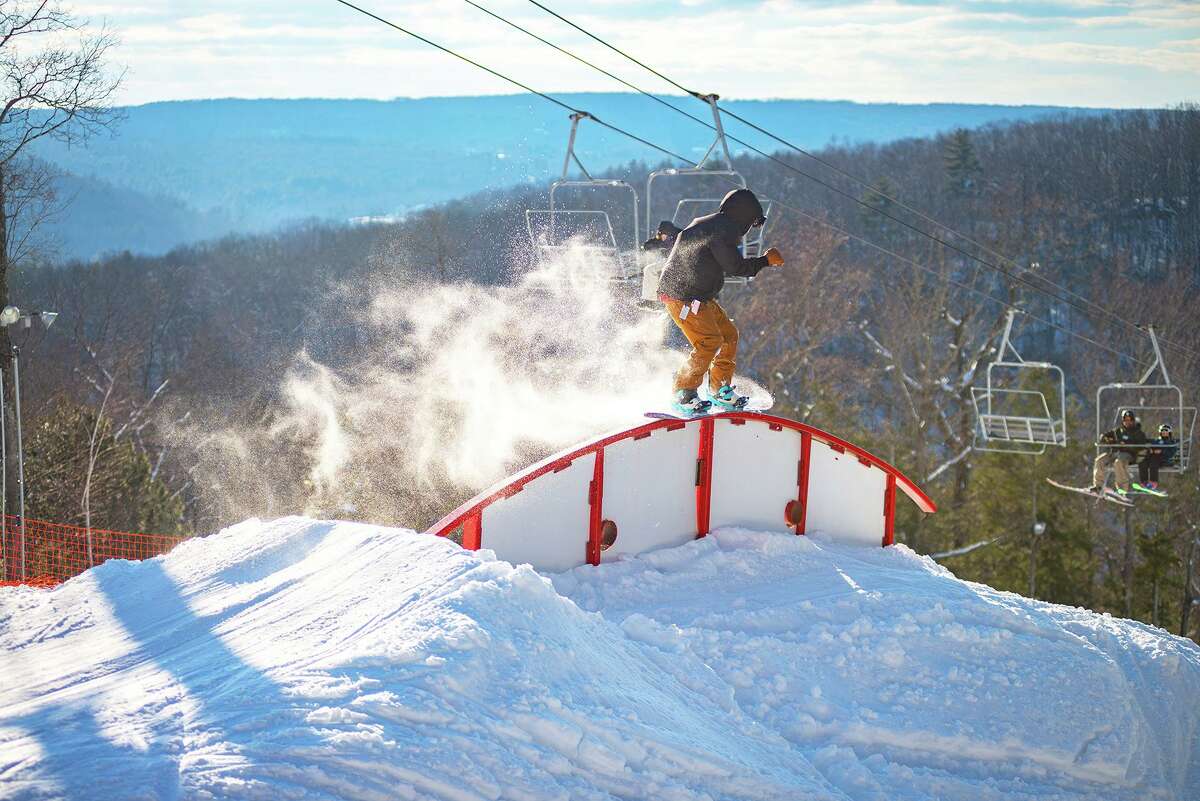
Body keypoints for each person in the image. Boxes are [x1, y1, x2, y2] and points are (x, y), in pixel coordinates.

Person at [657, 188, 784, 415]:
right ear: (744, 216)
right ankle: (683, 392)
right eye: (752, 222)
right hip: (683, 297)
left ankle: (719, 389)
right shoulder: (721, 231)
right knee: (709, 341)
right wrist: (766, 260)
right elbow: (736, 267)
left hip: (698, 296)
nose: (749, 229)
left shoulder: (713, 224)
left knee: (728, 336)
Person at [1092, 409, 1148, 495]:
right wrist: (1106, 439)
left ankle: (1122, 489)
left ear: (1133, 420)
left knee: (1118, 463)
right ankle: (1098, 486)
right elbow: (1104, 436)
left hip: (1127, 454)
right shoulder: (1118, 431)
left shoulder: (1137, 432)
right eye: (1125, 420)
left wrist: (1127, 445)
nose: (1127, 422)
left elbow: (1141, 446)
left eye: (1129, 420)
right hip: (1114, 452)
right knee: (1099, 460)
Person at [1136, 423, 1178, 491]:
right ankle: (1144, 482)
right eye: (1162, 431)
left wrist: (1161, 452)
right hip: (1153, 457)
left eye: (1166, 431)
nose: (1164, 433)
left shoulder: (1171, 442)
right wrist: (1151, 450)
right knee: (1142, 461)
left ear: (1169, 433)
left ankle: (1153, 482)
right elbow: (1149, 445)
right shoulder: (1156, 441)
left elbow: (1171, 452)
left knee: (1154, 462)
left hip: (1164, 459)